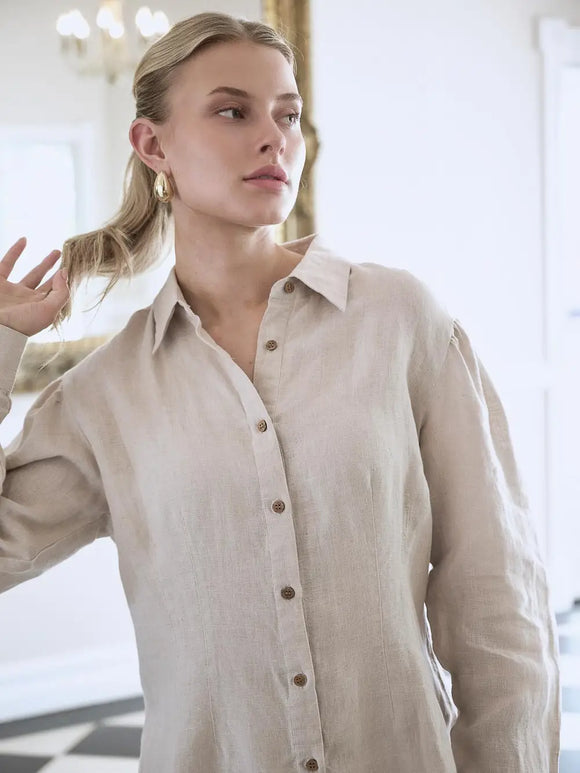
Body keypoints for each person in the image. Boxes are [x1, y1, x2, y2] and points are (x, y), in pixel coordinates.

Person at [0, 10, 560, 773]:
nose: (276, 138)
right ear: (153, 144)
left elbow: (497, 596)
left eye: (288, 115)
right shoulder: (106, 394)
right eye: (234, 111)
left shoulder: (397, 319)